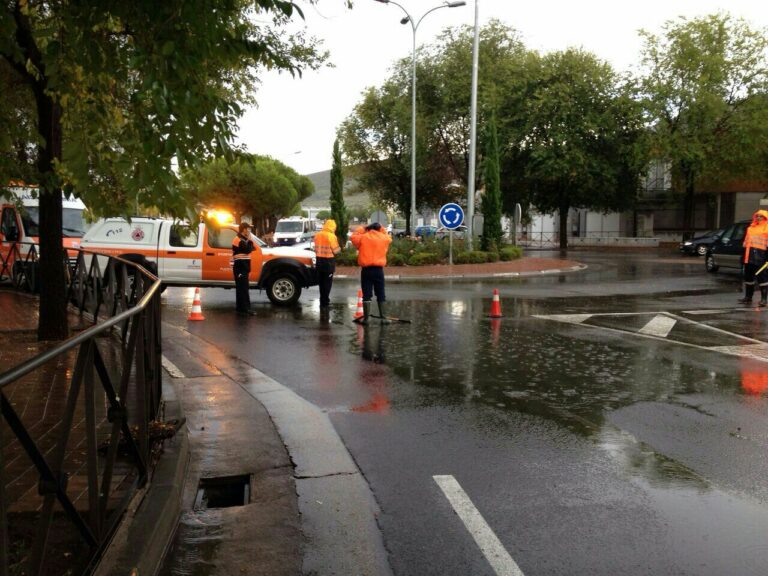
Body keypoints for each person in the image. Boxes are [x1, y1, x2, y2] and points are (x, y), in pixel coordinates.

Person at [351, 222, 392, 324]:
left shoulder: (363, 237)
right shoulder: (384, 238)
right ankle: (384, 318)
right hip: (378, 270)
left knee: (366, 294)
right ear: (379, 229)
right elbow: (388, 237)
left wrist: (363, 228)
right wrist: (381, 228)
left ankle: (366, 319)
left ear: (369, 228)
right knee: (380, 293)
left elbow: (353, 237)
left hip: (366, 270)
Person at [739, 209, 768, 306]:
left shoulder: (767, 228)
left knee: (762, 278)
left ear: (765, 217)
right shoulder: (750, 228)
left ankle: (764, 299)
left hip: (761, 256)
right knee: (748, 277)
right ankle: (748, 297)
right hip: (748, 256)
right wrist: (743, 257)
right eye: (757, 216)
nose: (759, 217)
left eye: (761, 216)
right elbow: (746, 243)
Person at [313, 219, 341, 307]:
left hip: (319, 261)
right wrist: (340, 249)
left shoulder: (317, 235)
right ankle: (325, 303)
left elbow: (315, 248)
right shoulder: (331, 236)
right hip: (328, 262)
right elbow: (336, 251)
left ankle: (322, 301)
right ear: (333, 227)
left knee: (321, 283)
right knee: (327, 283)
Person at [232, 222, 255, 316]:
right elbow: (248, 249)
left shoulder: (242, 239)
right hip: (240, 268)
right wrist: (250, 240)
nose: (249, 231)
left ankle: (240, 308)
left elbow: (251, 248)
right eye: (248, 229)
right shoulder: (238, 240)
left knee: (241, 288)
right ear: (244, 229)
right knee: (243, 288)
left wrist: (249, 241)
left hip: (242, 268)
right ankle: (245, 309)